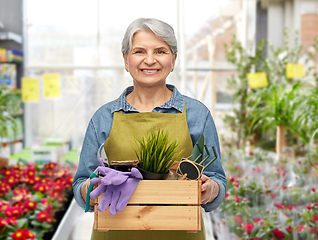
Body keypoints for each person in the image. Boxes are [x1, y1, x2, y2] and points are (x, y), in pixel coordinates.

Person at [72, 18, 226, 240]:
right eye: (139, 51)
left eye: (161, 51)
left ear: (173, 60)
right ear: (126, 60)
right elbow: (80, 186)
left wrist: (209, 189)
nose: (150, 60)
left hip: (181, 233)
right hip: (115, 233)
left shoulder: (197, 114)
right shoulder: (103, 117)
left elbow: (216, 179)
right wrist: (96, 186)